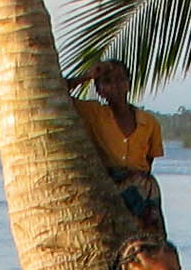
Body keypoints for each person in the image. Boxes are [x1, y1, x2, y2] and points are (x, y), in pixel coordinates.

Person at [68, 58, 167, 239]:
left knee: (151, 241)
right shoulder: (93, 113)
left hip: (141, 192)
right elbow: (56, 91)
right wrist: (87, 76)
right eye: (108, 81)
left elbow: (148, 162)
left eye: (121, 79)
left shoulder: (149, 123)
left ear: (129, 84)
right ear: (99, 90)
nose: (116, 85)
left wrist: (134, 182)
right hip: (107, 185)